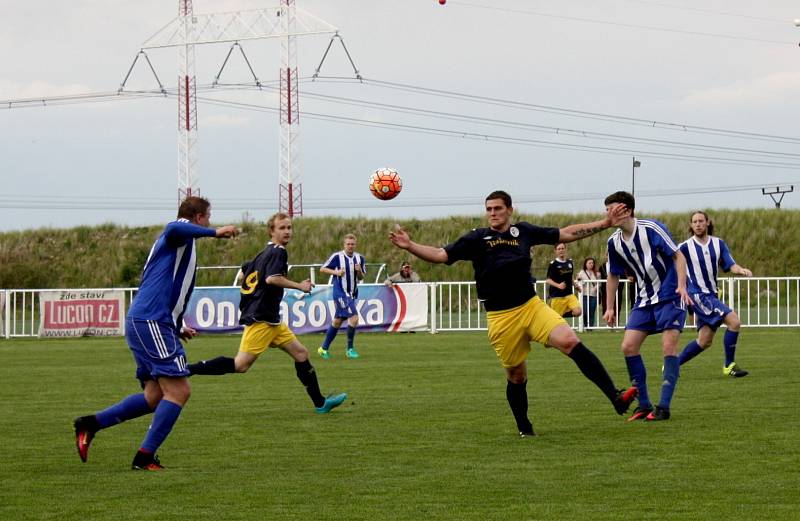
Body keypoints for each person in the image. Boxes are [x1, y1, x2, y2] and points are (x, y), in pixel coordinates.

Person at [389, 190, 637, 437]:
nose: (493, 213)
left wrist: (605, 223)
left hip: (531, 306)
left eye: (497, 208)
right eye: (489, 209)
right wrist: (410, 245)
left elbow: (567, 233)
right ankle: (524, 427)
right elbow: (441, 255)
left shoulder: (524, 231)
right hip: (501, 317)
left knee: (570, 341)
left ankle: (616, 398)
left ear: (510, 209)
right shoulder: (477, 238)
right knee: (516, 375)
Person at [73, 196, 238, 470]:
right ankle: (144, 457)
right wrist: (215, 233)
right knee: (179, 390)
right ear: (198, 217)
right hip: (151, 322)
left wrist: (176, 326)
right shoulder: (179, 232)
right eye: (208, 217)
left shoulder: (180, 245)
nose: (210, 221)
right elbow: (174, 228)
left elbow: (166, 286)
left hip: (149, 321)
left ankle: (90, 424)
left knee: (155, 396)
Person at [186, 212, 347, 413]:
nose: (287, 231)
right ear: (272, 231)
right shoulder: (278, 252)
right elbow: (272, 279)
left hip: (271, 320)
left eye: (289, 227)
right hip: (261, 318)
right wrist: (299, 285)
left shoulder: (263, 253)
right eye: (282, 228)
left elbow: (245, 271)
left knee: (301, 353)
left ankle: (320, 403)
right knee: (240, 365)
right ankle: (187, 370)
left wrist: (250, 296)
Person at [602, 191, 691, 422]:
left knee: (668, 346)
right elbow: (613, 275)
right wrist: (610, 307)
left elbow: (678, 256)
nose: (609, 215)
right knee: (628, 347)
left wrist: (681, 286)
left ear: (627, 210)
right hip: (644, 299)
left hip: (670, 294)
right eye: (607, 211)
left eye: (613, 209)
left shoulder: (651, 229)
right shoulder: (613, 242)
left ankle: (663, 407)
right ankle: (643, 404)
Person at [677, 211, 753, 377]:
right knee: (734, 321)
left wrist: (740, 270)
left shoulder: (718, 244)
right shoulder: (684, 247)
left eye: (701, 221)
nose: (698, 224)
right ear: (691, 225)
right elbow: (670, 264)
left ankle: (672, 365)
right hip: (698, 295)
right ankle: (729, 365)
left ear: (708, 223)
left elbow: (730, 264)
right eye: (695, 222)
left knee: (704, 341)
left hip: (711, 295)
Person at [318, 234, 366, 360]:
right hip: (340, 293)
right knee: (354, 318)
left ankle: (323, 348)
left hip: (351, 293)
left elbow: (361, 278)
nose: (350, 246)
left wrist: (359, 271)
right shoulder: (337, 257)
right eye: (348, 244)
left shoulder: (360, 258)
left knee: (338, 321)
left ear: (355, 244)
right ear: (344, 245)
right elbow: (322, 269)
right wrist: (336, 272)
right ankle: (350, 349)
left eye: (352, 244)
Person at [545, 243, 582, 319]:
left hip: (569, 294)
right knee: (557, 319)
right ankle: (558, 315)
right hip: (557, 296)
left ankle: (561, 314)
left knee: (578, 312)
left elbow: (570, 275)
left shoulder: (570, 262)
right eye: (559, 249)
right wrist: (558, 285)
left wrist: (575, 285)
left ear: (565, 249)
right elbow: (548, 280)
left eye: (562, 248)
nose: (561, 250)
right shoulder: (553, 264)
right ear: (555, 251)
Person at [576, 257, 600, 328]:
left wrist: (596, 287)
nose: (591, 264)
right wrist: (579, 279)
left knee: (592, 312)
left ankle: (591, 327)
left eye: (592, 263)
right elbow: (579, 282)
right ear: (585, 264)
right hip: (584, 295)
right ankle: (586, 325)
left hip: (593, 295)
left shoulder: (597, 273)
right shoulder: (581, 272)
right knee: (585, 312)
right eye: (589, 263)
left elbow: (599, 283)